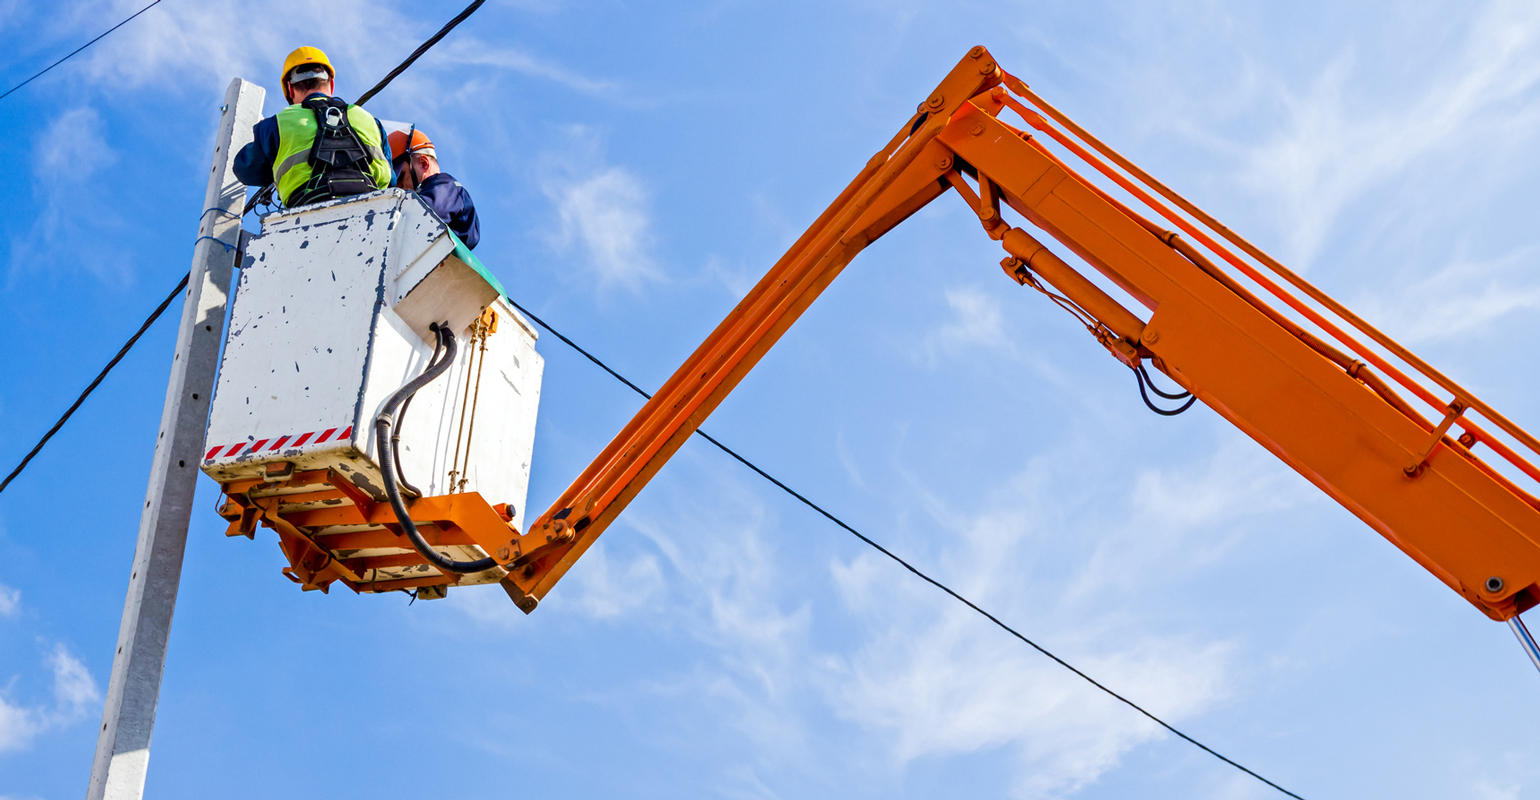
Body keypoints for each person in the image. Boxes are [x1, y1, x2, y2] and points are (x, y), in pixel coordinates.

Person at [233, 47, 392, 208]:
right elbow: (391, 180)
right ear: (331, 83)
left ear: (289, 88)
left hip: (305, 213)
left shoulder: (276, 124)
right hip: (373, 209)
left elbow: (246, 169)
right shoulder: (369, 121)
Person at [388, 127, 480, 250]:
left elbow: (417, 217)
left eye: (402, 176)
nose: (398, 186)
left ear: (424, 163)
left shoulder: (446, 187)